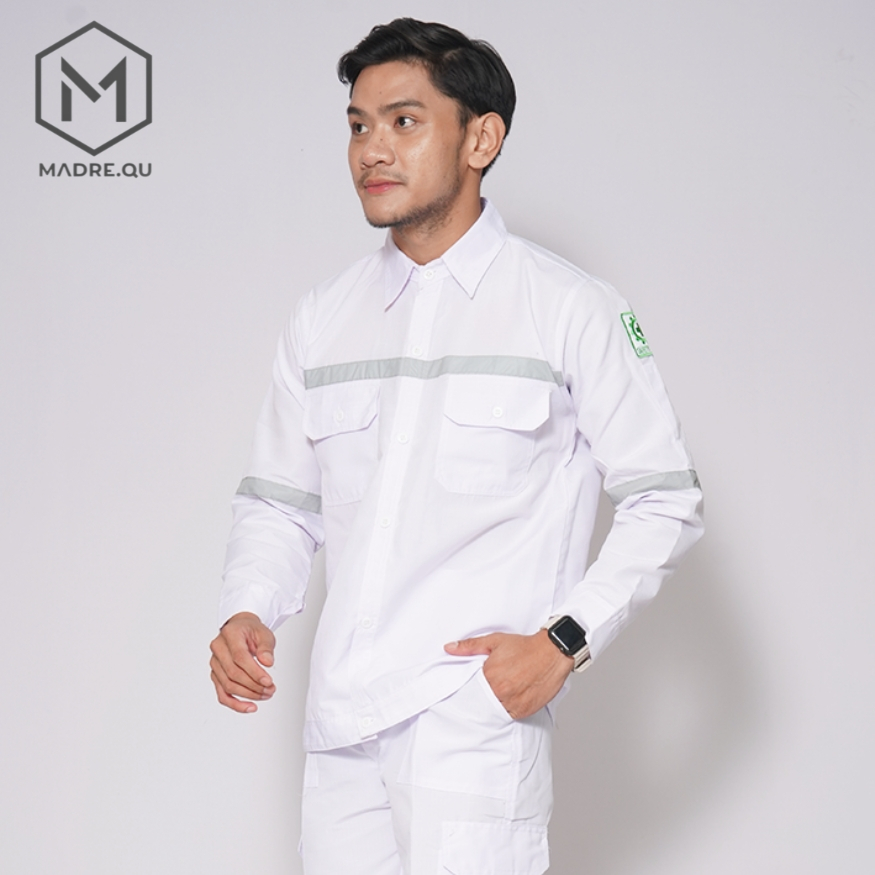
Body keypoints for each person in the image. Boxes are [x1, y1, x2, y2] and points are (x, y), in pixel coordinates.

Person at [209, 17, 703, 875]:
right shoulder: (324, 318)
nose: (371, 149)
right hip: (341, 727)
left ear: (481, 139)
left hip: (469, 724)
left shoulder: (567, 307)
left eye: (403, 121)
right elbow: (280, 503)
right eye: (357, 125)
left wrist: (564, 640)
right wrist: (248, 605)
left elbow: (664, 496)